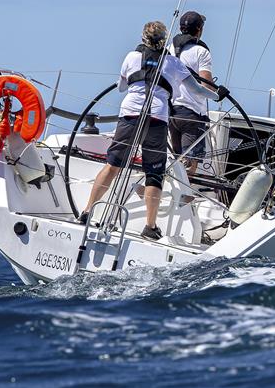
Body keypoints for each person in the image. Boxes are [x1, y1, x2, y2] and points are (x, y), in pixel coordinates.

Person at [79, 21, 218, 241]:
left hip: (130, 114)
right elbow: (198, 90)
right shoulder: (173, 63)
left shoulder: (131, 58)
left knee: (113, 164)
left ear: (143, 38)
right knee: (154, 173)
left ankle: (86, 212)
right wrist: (217, 95)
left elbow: (121, 87)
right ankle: (150, 226)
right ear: (165, 39)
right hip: (156, 118)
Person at [168, 11, 215, 175]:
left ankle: (176, 197)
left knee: (177, 162)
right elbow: (206, 85)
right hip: (191, 114)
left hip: (172, 112)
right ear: (199, 29)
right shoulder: (201, 52)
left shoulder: (170, 49)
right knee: (189, 165)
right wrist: (217, 91)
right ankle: (184, 199)